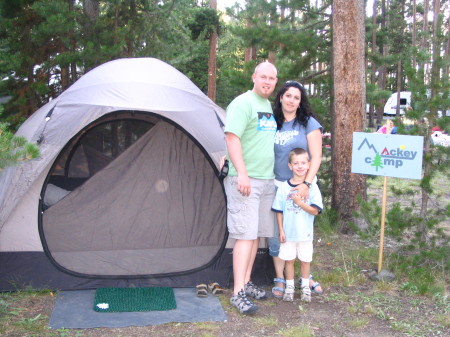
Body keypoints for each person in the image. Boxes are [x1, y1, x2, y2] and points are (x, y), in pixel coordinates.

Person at [223, 61, 278, 315]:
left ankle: (246, 283)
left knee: (255, 234)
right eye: (263, 77)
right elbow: (232, 137)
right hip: (245, 180)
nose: (267, 81)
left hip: (265, 180)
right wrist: (242, 173)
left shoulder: (267, 106)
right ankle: (237, 293)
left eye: (272, 78)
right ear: (254, 77)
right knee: (244, 235)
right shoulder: (243, 103)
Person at [269, 81, 323, 299]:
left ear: (301, 102)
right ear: (281, 97)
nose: (291, 100)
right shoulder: (270, 122)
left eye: (296, 97)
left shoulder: (308, 123)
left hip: (303, 184)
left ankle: (305, 277)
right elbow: (251, 141)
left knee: (301, 232)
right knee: (278, 234)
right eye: (288, 96)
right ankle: (280, 278)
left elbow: (317, 156)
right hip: (277, 185)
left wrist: (306, 184)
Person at [272, 148, 323, 302]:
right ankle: (289, 287)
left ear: (308, 165)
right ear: (290, 166)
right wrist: (281, 230)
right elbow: (278, 210)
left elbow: (315, 211)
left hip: (305, 234)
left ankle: (306, 287)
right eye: (296, 163)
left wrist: (300, 203)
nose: (300, 166)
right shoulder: (283, 188)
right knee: (289, 260)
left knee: (305, 260)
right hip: (288, 233)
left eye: (303, 163)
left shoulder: (312, 188)